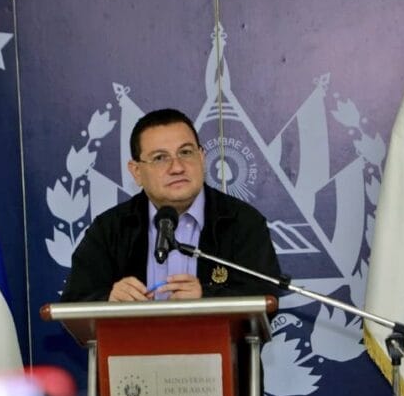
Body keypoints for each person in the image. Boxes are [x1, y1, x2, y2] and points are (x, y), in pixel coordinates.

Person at [61, 108, 281, 303]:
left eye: (185, 152)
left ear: (202, 158)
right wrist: (108, 299)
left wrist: (205, 297)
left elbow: (266, 298)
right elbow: (74, 301)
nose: (177, 167)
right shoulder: (110, 228)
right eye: (160, 158)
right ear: (136, 172)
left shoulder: (243, 222)